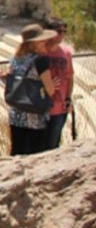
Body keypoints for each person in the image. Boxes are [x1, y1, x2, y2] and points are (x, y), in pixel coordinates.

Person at [6, 24, 58, 156]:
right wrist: (53, 85)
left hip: (16, 113)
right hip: (35, 114)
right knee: (35, 153)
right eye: (42, 40)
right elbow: (50, 90)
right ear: (34, 43)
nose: (45, 43)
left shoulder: (15, 59)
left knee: (17, 150)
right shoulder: (41, 61)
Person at [43, 17, 74, 149]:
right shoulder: (39, 52)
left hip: (59, 108)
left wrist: (68, 99)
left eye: (64, 31)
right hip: (39, 108)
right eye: (58, 31)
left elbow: (69, 77)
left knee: (53, 145)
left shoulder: (66, 53)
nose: (62, 34)